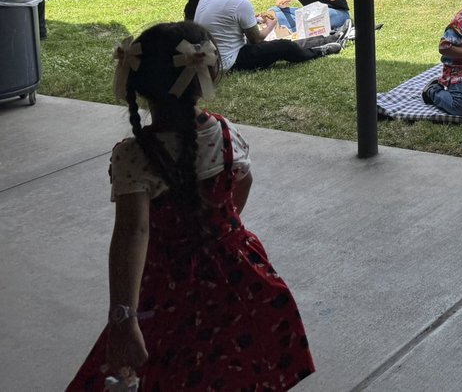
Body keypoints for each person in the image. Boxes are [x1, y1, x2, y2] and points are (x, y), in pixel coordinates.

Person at [67, 22, 314, 390]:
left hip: (167, 281)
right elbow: (242, 182)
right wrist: (221, 229)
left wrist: (124, 317)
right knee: (232, 363)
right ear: (210, 73)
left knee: (168, 366)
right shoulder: (224, 133)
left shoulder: (133, 156)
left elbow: (133, 232)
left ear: (137, 83)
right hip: (236, 273)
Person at [194, 0, 343, 71]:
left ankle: (330, 38)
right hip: (230, 60)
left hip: (208, 58)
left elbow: (227, 21)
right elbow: (256, 39)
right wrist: (270, 25)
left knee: (282, 43)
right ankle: (320, 51)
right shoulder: (240, 2)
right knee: (282, 46)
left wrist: (257, 19)